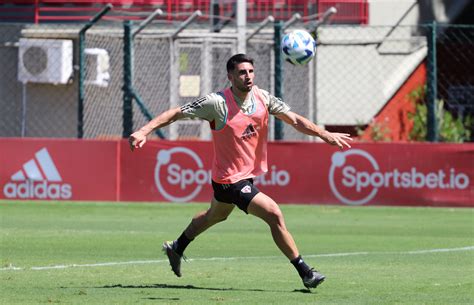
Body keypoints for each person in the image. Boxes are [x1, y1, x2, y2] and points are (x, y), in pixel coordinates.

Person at [129, 53, 352, 289]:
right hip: (229, 180)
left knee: (215, 216)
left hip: (239, 176)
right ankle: (305, 272)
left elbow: (294, 119)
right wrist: (145, 131)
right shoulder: (216, 103)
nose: (248, 77)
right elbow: (176, 113)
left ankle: (177, 247)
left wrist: (324, 134)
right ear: (230, 76)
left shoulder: (262, 97)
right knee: (273, 214)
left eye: (251, 72)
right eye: (242, 73)